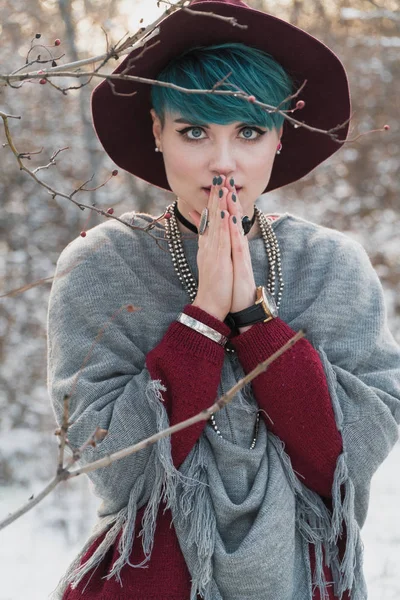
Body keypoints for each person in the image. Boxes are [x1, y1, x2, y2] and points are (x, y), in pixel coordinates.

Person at [48, 1, 400, 599]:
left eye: (249, 131)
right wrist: (204, 316)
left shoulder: (331, 265)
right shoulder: (100, 265)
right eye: (193, 131)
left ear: (280, 135)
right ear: (156, 131)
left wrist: (255, 319)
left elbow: (337, 464)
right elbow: (120, 469)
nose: (223, 164)